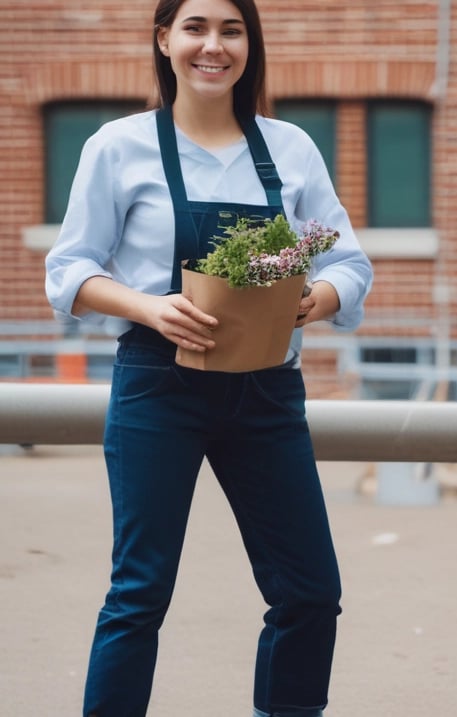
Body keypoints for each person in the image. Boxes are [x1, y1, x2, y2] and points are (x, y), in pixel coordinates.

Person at [44, 0, 372, 715]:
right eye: (195, 28)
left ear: (249, 44)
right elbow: (68, 270)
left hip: (268, 393)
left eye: (231, 29)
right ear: (164, 40)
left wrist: (312, 298)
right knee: (139, 595)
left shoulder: (291, 150)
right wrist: (148, 306)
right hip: (156, 388)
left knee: (310, 591)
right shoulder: (117, 146)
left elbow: (347, 259)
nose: (213, 46)